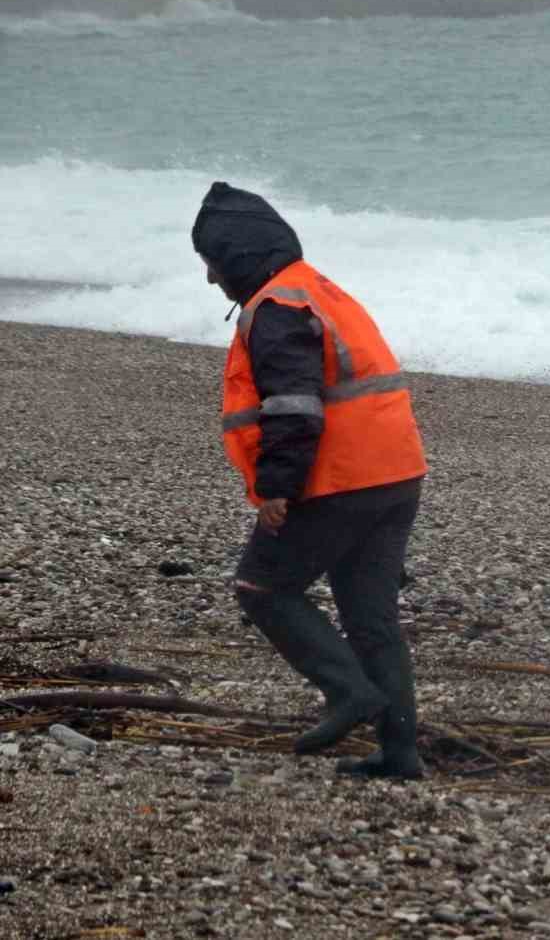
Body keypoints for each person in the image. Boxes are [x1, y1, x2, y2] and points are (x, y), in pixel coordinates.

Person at [192, 181, 428, 779]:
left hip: (340, 480)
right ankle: (400, 754)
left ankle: (348, 692)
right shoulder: (320, 290)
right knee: (371, 620)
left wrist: (278, 488)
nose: (212, 278)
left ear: (240, 255)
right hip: (396, 474)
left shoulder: (278, 307)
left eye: (214, 263)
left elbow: (293, 406)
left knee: (263, 587)